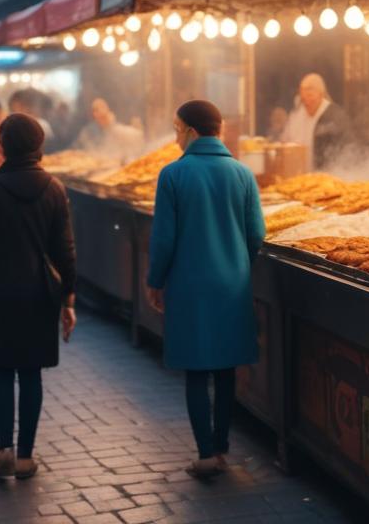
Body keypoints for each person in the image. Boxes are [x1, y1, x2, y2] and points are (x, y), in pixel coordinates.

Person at [146, 100, 264, 478]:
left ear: (193, 133)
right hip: (232, 283)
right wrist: (237, 261)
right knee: (226, 367)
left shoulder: (173, 175)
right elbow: (257, 234)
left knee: (197, 369)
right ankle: (223, 447)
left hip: (189, 283)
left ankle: (205, 454)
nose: (176, 137)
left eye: (177, 129)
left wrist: (155, 280)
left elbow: (163, 239)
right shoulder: (242, 173)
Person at [0, 113, 77, 480]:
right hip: (39, 292)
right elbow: (66, 250)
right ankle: (26, 457)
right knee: (32, 372)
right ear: (39, 144)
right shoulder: (54, 189)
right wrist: (68, 300)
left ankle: (4, 450)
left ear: (3, 146)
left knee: (2, 372)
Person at [281, 73, 352, 169]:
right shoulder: (297, 115)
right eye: (303, 98)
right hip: (300, 177)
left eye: (310, 95)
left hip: (327, 178)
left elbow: (346, 151)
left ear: (321, 94)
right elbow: (285, 141)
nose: (307, 101)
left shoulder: (335, 116)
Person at [75, 98, 145, 162]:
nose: (101, 112)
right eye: (97, 110)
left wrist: (112, 126)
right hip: (94, 164)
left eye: (103, 107)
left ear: (108, 109)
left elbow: (134, 137)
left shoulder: (116, 128)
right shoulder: (88, 131)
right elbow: (79, 148)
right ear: (94, 114)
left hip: (115, 164)